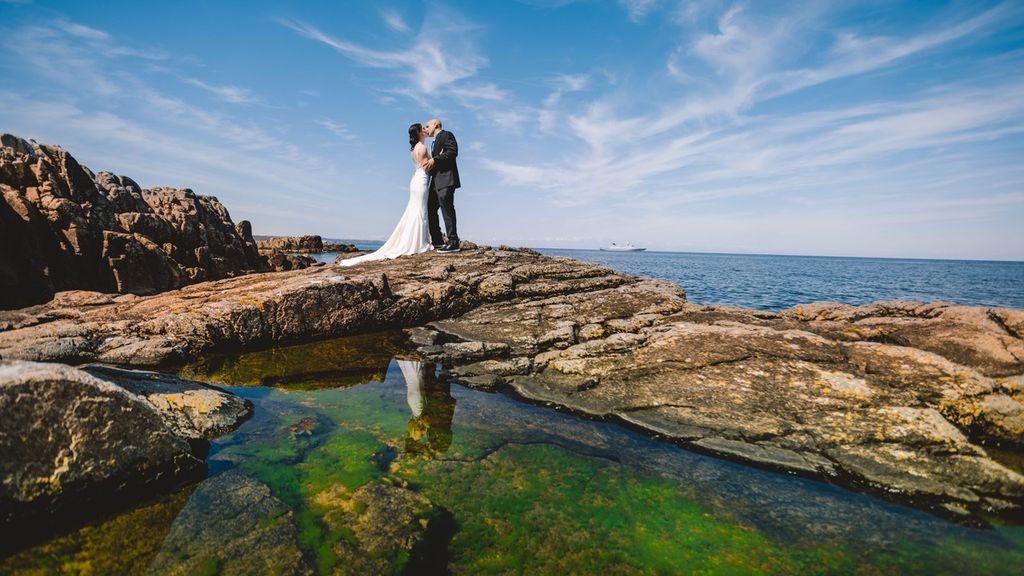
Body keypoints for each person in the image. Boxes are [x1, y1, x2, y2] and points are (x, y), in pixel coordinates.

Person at [339, 123, 434, 267]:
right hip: (421, 179)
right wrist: (437, 160)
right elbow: (427, 166)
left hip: (416, 179)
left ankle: (417, 239)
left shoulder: (413, 149)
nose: (425, 130)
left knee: (414, 209)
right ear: (419, 133)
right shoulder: (422, 148)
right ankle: (418, 242)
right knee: (419, 210)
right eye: (423, 129)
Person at [423, 118, 461, 253]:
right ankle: (438, 240)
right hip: (435, 181)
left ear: (436, 125)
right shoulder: (434, 142)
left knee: (447, 210)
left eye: (427, 126)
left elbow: (453, 152)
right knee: (430, 208)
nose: (425, 129)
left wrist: (435, 159)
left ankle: (453, 242)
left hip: (446, 179)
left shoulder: (447, 135)